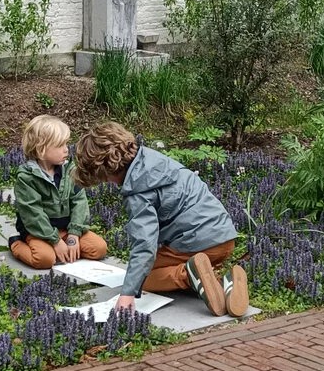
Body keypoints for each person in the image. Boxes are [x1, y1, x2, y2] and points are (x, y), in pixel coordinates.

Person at [73, 122, 248, 318]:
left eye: (104, 178)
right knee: (156, 267)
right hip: (224, 238)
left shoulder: (137, 191)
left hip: (196, 243)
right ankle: (223, 284)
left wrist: (128, 293)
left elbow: (144, 244)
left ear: (106, 170)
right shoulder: (154, 159)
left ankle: (189, 274)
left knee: (146, 279)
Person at [9, 115, 108, 269]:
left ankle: (64, 249)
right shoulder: (27, 178)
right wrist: (55, 240)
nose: (66, 149)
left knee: (99, 249)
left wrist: (74, 235)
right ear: (41, 149)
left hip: (67, 228)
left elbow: (79, 201)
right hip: (39, 231)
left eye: (66, 143)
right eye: (60, 145)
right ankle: (16, 244)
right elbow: (33, 214)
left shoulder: (69, 170)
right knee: (44, 259)